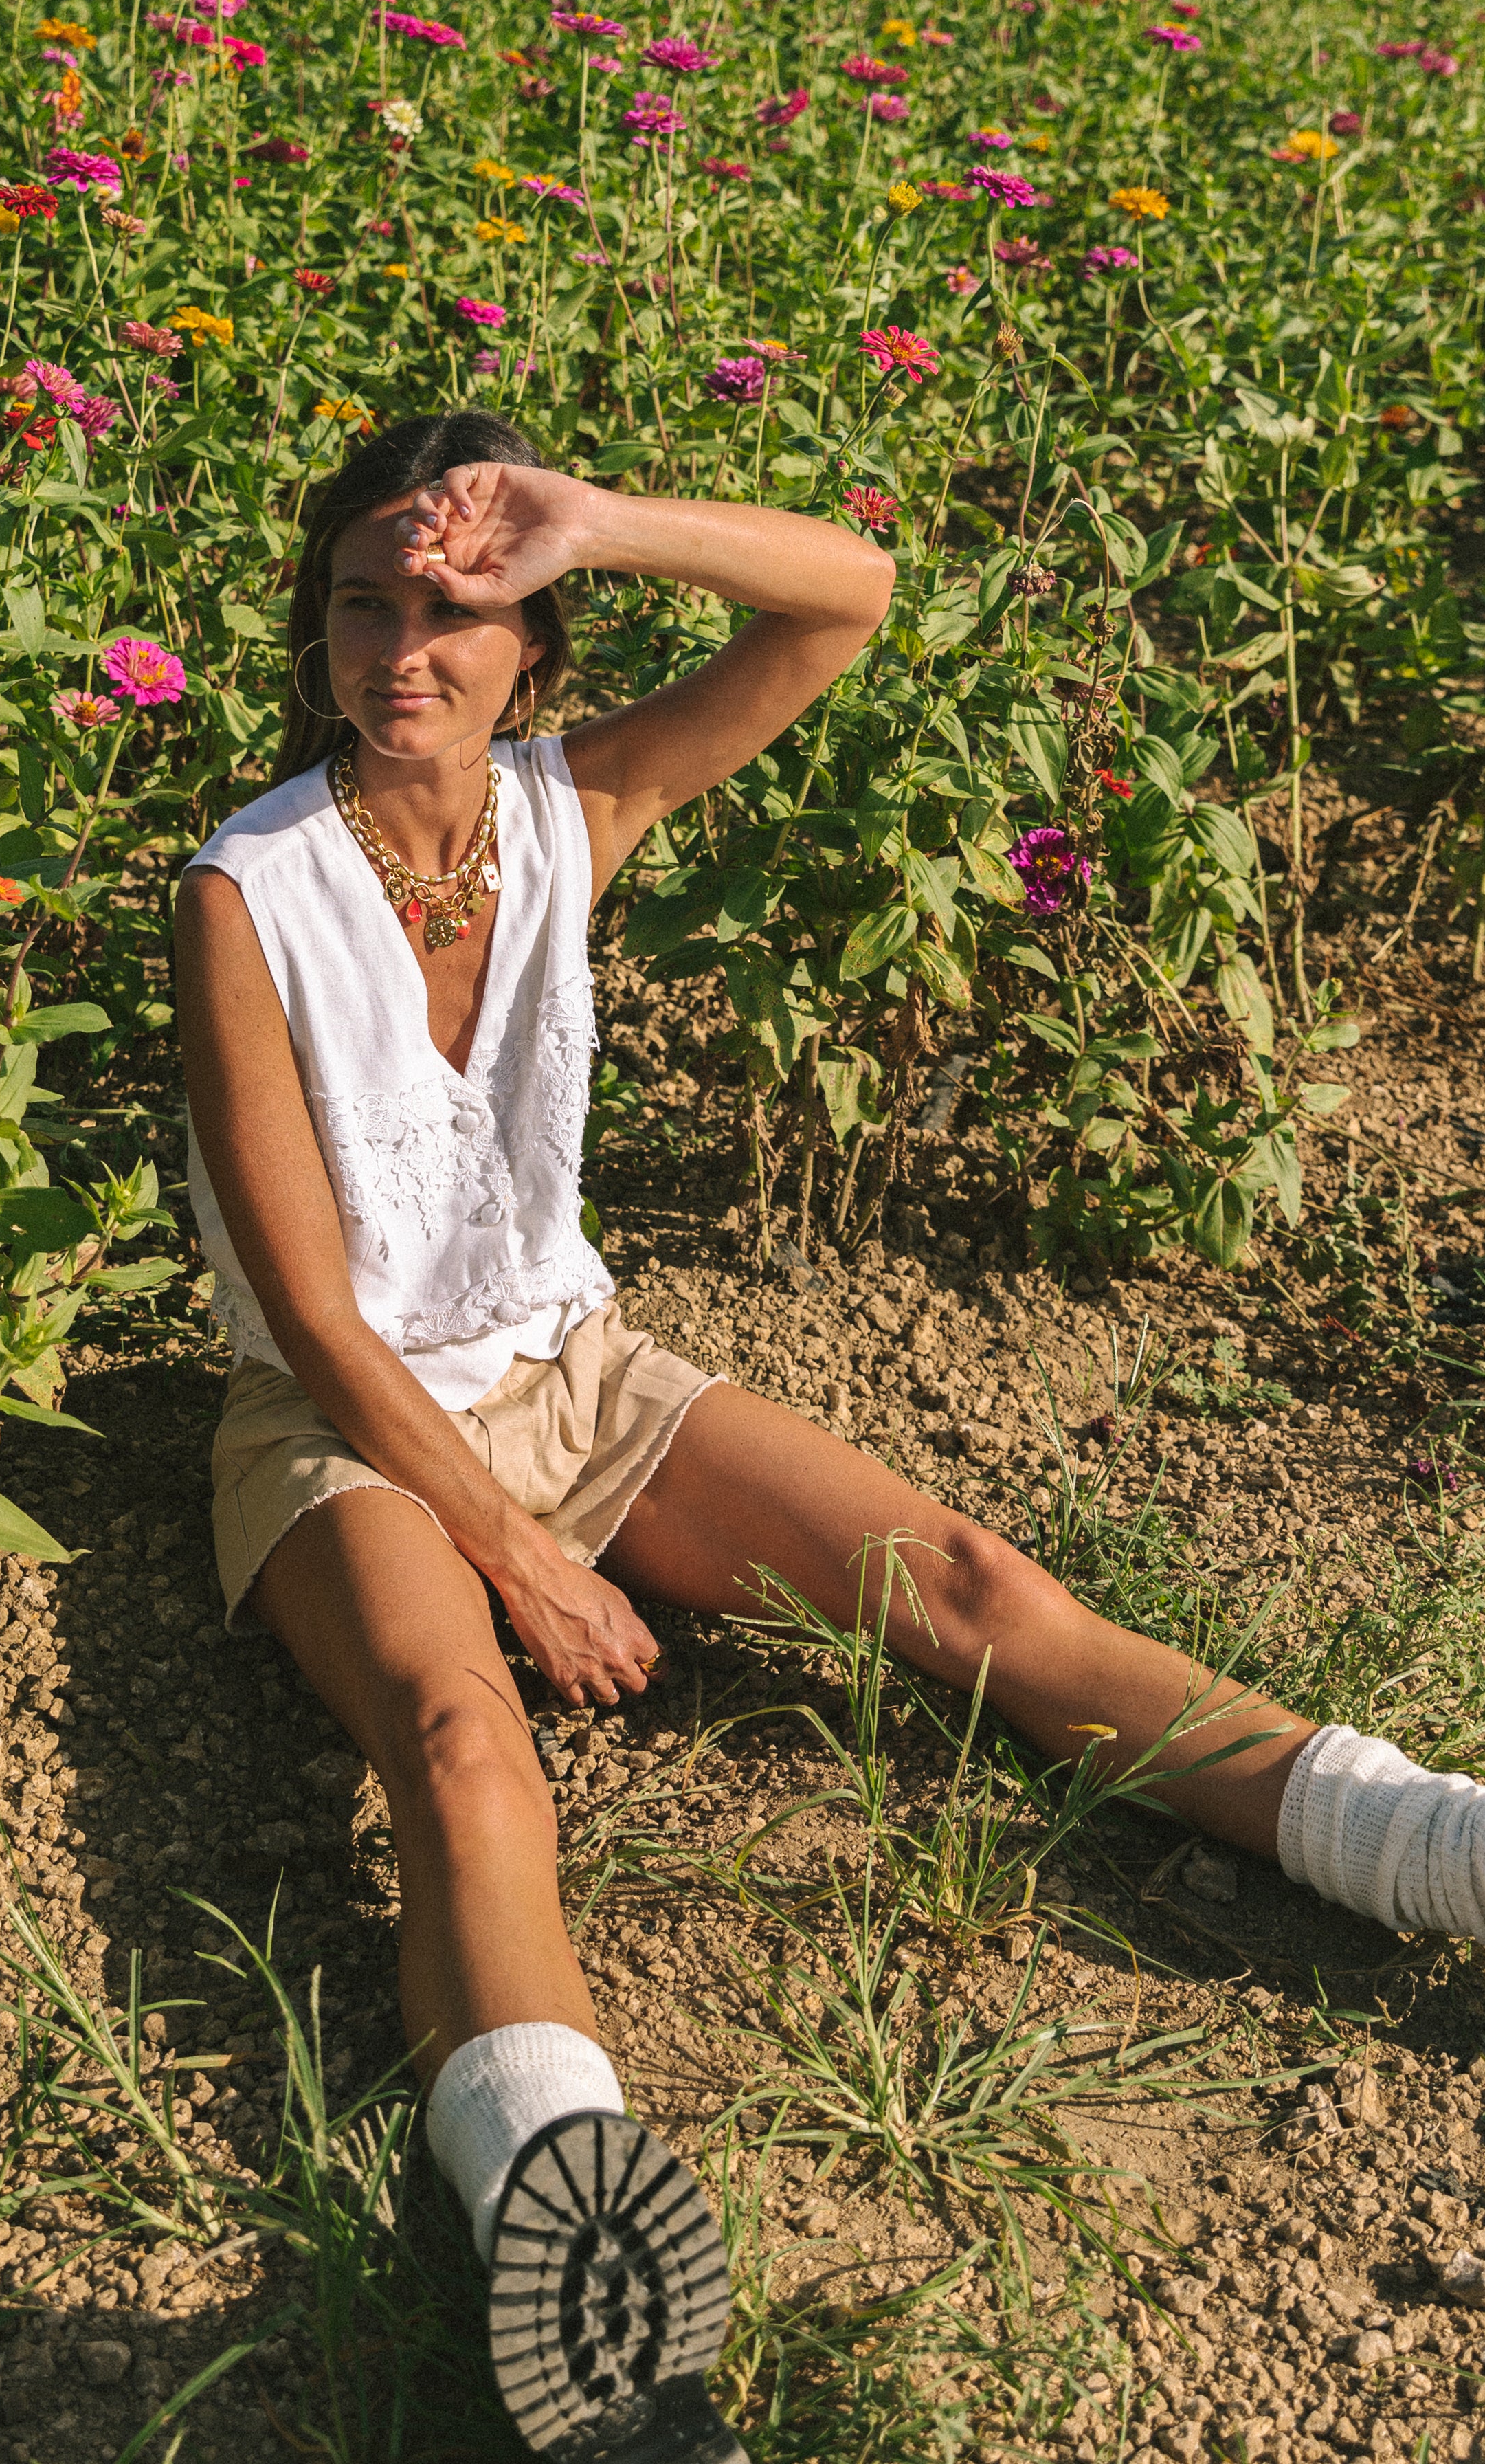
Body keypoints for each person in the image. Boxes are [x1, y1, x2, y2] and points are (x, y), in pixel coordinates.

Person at [175, 408, 1485, 2464]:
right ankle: (580, 2269)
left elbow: (849, 591)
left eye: (460, 609)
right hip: (339, 1423)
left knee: (971, 1588)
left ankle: (1428, 1847)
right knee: (455, 1743)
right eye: (361, 605)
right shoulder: (247, 891)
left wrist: (588, 511)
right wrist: (518, 1555)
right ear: (311, 626)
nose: (401, 652)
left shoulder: (570, 807)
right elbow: (322, 1326)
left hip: (571, 1364)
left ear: (539, 642)